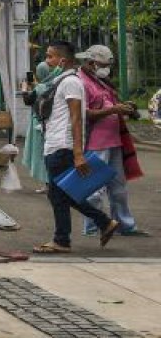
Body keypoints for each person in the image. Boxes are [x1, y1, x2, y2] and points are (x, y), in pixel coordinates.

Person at [33, 40, 119, 253]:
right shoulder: (62, 80)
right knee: (61, 193)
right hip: (55, 144)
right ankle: (103, 222)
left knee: (58, 194)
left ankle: (63, 239)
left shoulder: (71, 82)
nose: (47, 60)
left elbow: (76, 118)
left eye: (50, 56)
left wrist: (78, 153)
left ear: (62, 60)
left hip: (62, 145)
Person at [76, 45, 149, 238]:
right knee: (94, 190)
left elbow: (108, 104)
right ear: (91, 63)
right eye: (102, 64)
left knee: (119, 188)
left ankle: (125, 225)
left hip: (114, 140)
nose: (106, 68)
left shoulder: (100, 81)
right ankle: (93, 228)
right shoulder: (81, 82)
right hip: (95, 142)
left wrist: (124, 107)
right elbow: (84, 114)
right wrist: (114, 110)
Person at [19, 58, 57, 192]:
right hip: (50, 122)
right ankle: (50, 183)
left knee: (40, 153)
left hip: (38, 123)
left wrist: (24, 89)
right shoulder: (54, 83)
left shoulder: (40, 87)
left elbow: (28, 101)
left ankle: (47, 183)